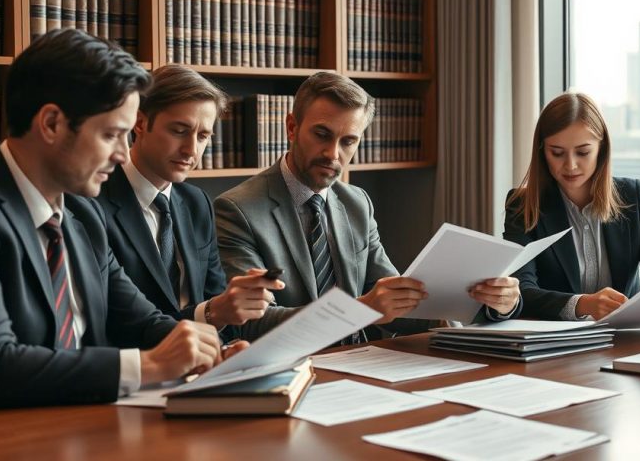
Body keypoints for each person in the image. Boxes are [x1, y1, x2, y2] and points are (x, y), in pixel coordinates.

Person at [0, 29, 243, 418]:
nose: (124, 155)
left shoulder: (83, 215)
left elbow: (140, 321)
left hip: (73, 427)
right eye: (112, 135)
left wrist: (210, 354)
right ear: (52, 123)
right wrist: (152, 366)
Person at [216, 72, 522, 341]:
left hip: (361, 366)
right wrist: (361, 310)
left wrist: (485, 303)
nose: (333, 153)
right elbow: (250, 323)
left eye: (348, 141)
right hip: (289, 372)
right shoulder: (237, 209)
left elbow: (396, 303)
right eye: (322, 134)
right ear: (292, 127)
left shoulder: (356, 203)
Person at [97, 65, 282, 337]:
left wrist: (228, 344)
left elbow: (217, 304)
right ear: (139, 123)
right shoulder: (94, 204)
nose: (191, 150)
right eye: (179, 130)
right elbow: (117, 325)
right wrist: (211, 313)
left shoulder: (197, 203)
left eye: (203, 136)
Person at [504, 92, 640, 321]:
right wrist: (583, 304)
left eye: (583, 152)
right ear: (542, 151)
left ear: (601, 149)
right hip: (555, 346)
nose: (570, 165)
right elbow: (519, 293)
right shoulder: (522, 206)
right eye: (557, 153)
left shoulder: (631, 196)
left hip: (626, 339)